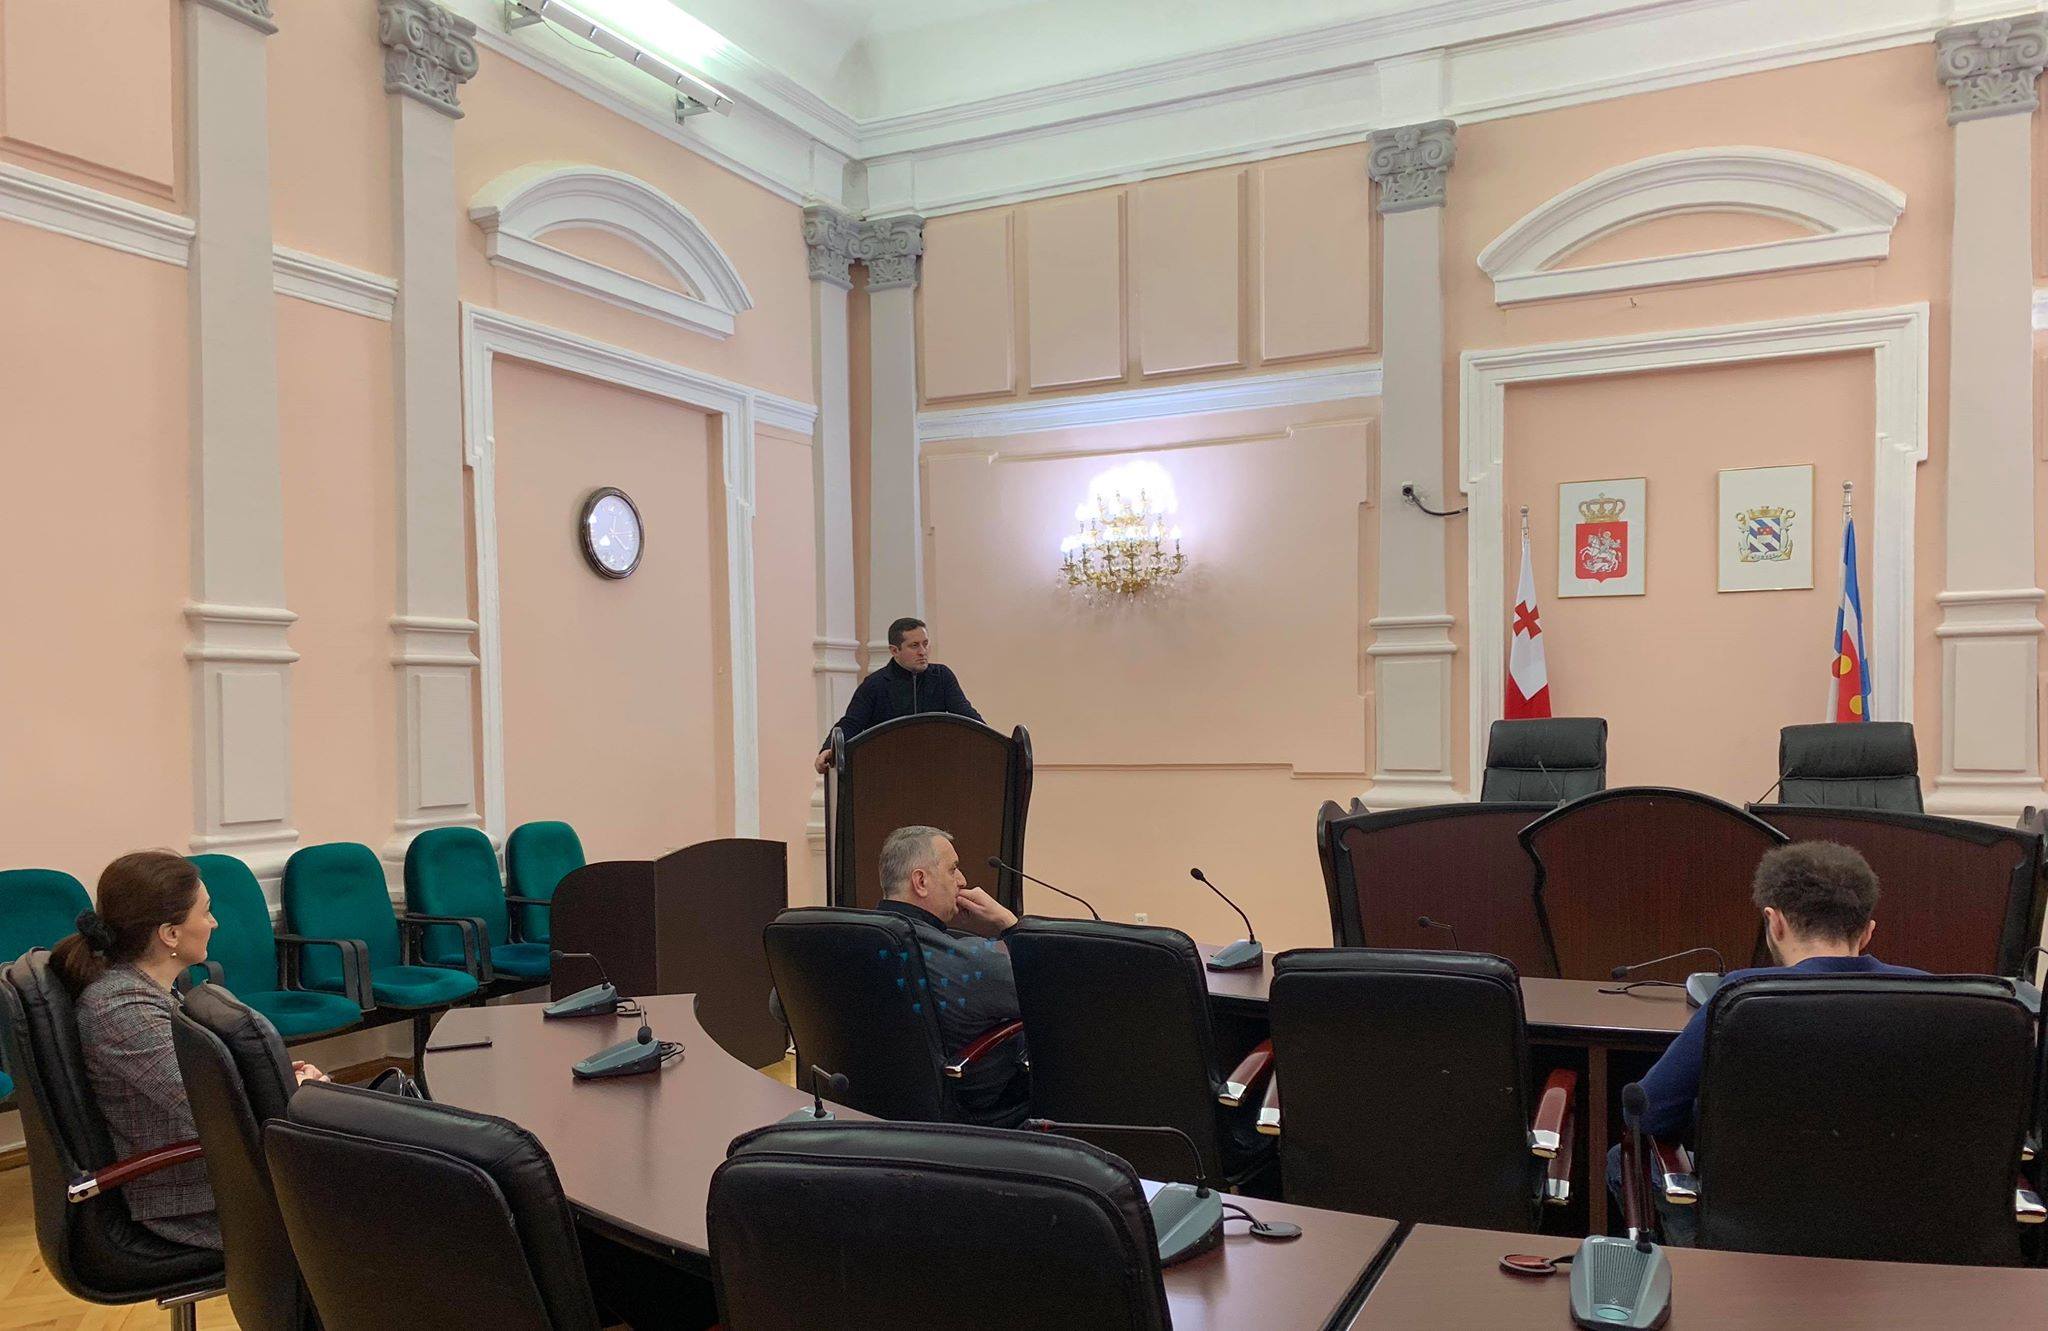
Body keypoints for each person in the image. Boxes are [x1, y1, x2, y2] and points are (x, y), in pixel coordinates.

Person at [1607, 840, 1920, 1241]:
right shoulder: (1932, 995)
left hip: (1751, 1239)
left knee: (1624, 1158)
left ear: (1775, 923)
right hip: (1900, 1233)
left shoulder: (1740, 995)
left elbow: (1647, 1114)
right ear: (1868, 931)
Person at [50, 851, 327, 1251]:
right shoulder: (121, 1010)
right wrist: (296, 1092)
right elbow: (212, 1110)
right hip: (196, 1202)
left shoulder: (145, 991)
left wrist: (281, 1078)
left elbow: (204, 1083)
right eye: (206, 911)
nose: (214, 923)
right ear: (170, 934)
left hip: (218, 1177)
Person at [871, 825, 1030, 1127]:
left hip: (858, 1110)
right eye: (953, 869)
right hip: (976, 1117)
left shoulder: (843, 942)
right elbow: (1052, 994)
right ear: (920, 881)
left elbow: (780, 1006)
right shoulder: (972, 962)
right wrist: (1011, 925)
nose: (962, 880)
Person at [814, 618, 982, 774]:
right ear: (894, 650)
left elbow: (966, 714)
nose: (923, 652)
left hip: (936, 767)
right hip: (889, 770)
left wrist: (989, 740)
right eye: (914, 646)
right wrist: (828, 749)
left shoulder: (941, 676)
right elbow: (851, 723)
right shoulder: (875, 684)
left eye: (925, 644)